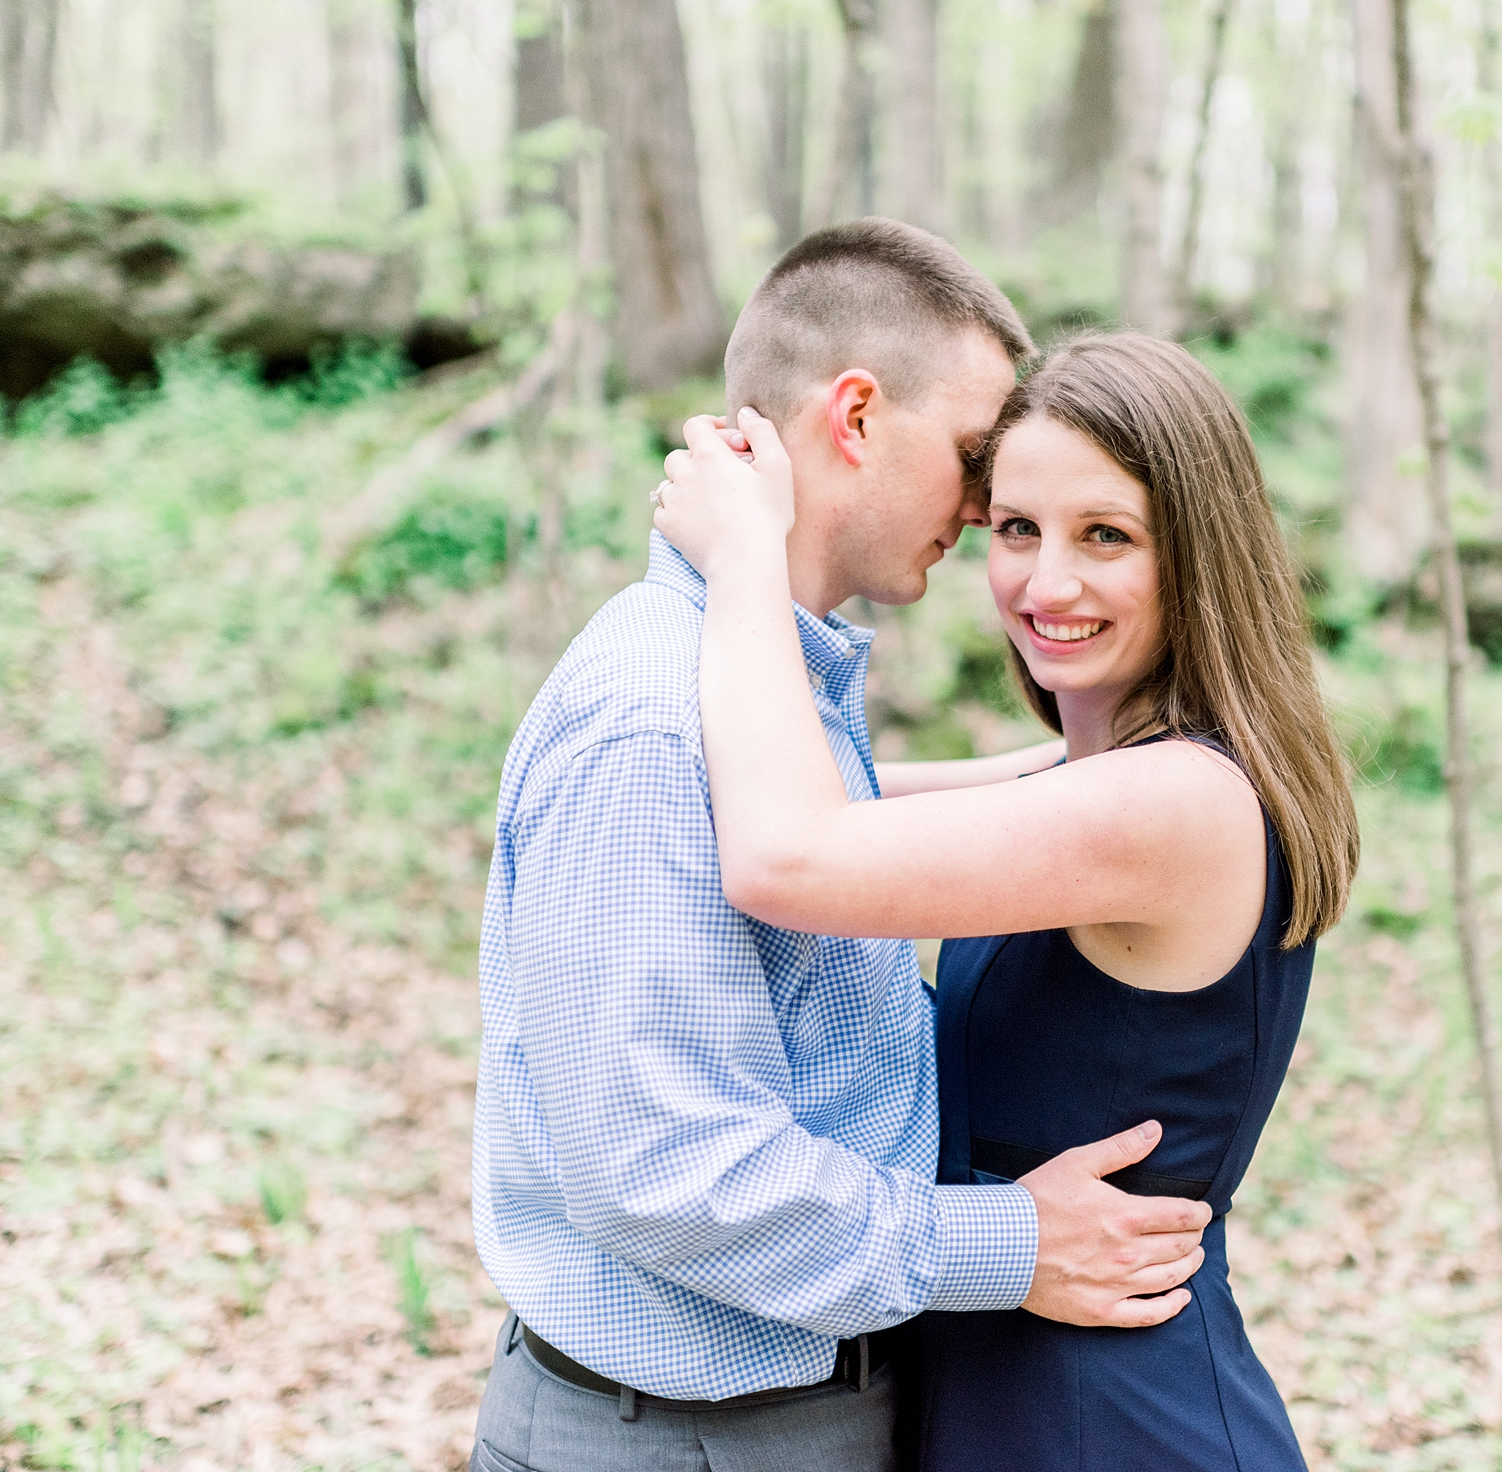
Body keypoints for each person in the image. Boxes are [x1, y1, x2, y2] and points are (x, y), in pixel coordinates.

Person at [468, 222, 1213, 1472]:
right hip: (690, 1442)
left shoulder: (759, 690)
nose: (987, 511)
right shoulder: (655, 720)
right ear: (856, 416)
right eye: (978, 458)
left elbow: (868, 822)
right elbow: (665, 1165)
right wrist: (1007, 1245)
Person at [652, 330, 1361, 1471]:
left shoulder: (1171, 804)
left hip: (1107, 1419)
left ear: (1199, 555)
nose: (1048, 583)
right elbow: (815, 795)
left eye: (1108, 537)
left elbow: (789, 856)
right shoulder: (1091, 779)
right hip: (1008, 1394)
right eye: (1019, 528)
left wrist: (747, 560)